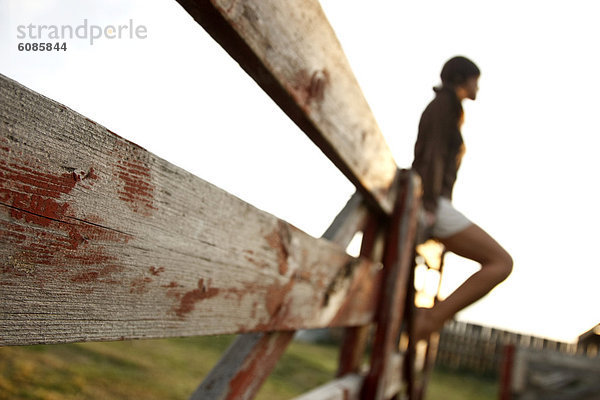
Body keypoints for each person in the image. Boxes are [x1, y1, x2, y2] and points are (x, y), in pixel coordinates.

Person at [412, 56, 513, 342]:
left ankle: (432, 317)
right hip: (431, 201)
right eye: (475, 80)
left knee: (499, 262)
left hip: (433, 199)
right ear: (462, 79)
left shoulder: (447, 107)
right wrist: (431, 205)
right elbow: (432, 155)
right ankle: (431, 319)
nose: (478, 86)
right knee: (501, 263)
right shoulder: (445, 106)